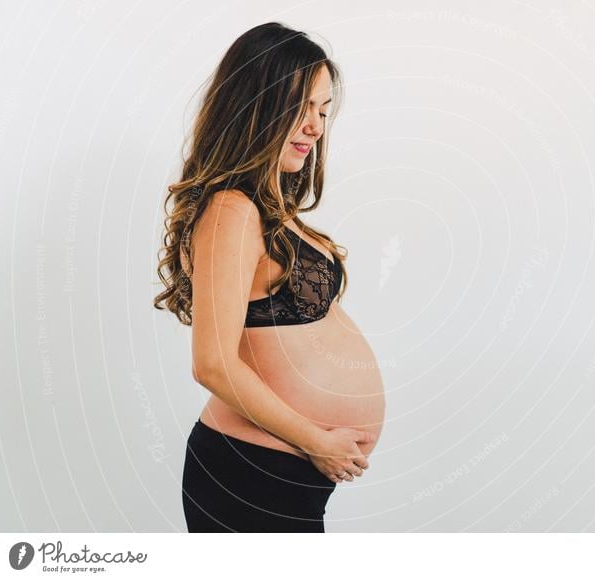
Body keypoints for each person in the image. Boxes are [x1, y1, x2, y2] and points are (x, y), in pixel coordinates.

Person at [153, 22, 386, 532]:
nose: (315, 127)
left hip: (277, 475)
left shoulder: (266, 208)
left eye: (323, 111)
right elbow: (212, 364)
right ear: (257, 106)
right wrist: (316, 439)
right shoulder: (231, 211)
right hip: (249, 475)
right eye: (301, 108)